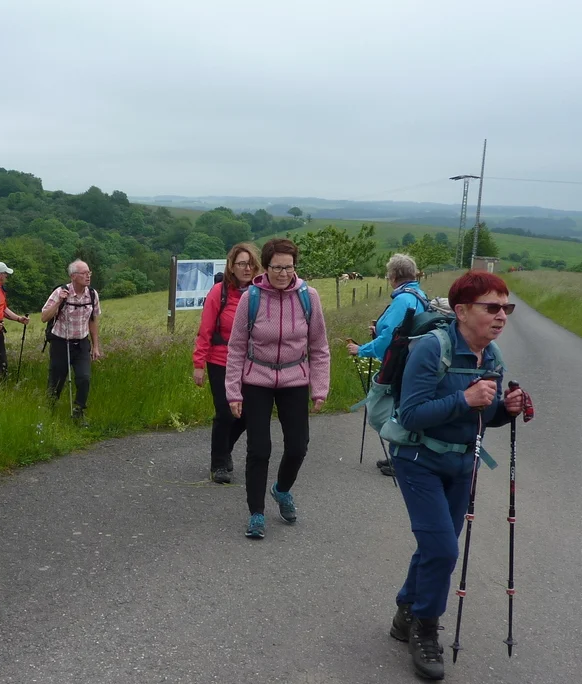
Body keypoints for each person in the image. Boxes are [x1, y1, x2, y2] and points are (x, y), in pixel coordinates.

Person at [385, 270, 525, 681]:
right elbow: (410, 414)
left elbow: (487, 415)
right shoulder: (433, 348)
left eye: (506, 307)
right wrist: (464, 398)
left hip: (464, 464)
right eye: (492, 307)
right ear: (461, 311)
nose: (501, 316)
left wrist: (508, 409)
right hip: (418, 459)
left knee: (435, 547)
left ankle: (404, 613)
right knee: (444, 550)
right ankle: (425, 628)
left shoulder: (492, 357)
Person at [225, 238, 330, 540]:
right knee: (259, 449)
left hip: (294, 379)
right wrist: (233, 391)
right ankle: (256, 513)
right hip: (256, 379)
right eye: (277, 268)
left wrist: (319, 387)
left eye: (289, 267)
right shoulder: (252, 297)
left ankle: (281, 490)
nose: (283, 274)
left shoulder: (308, 297)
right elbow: (236, 348)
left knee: (298, 446)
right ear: (266, 267)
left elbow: (319, 347)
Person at [348, 253, 429, 477]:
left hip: (401, 364)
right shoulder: (419, 295)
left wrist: (361, 349)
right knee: (399, 409)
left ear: (392, 276)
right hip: (414, 362)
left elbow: (389, 339)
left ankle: (402, 459)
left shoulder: (403, 299)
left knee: (387, 411)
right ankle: (399, 456)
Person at [192, 242, 261, 484]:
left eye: (250, 263)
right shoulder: (219, 292)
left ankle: (226, 448)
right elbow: (206, 329)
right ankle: (218, 464)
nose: (246, 268)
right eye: (241, 263)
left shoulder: (259, 292)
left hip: (251, 362)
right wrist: (198, 363)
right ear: (231, 266)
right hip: (220, 360)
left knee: (247, 414)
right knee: (225, 412)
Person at [41, 260, 103, 424]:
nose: (88, 276)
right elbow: (44, 317)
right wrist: (59, 301)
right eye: (84, 273)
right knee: (57, 380)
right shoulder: (60, 292)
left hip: (82, 343)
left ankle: (79, 411)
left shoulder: (92, 294)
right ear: (73, 276)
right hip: (61, 342)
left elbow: (93, 320)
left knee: (84, 378)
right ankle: (49, 412)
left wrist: (95, 346)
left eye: (89, 272)